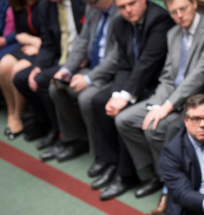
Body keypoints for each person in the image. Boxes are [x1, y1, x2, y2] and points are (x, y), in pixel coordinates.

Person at [115, 0, 204, 205]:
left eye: (183, 9)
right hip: (169, 99)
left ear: (194, 5)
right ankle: (153, 173)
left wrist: (166, 107)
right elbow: (167, 77)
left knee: (155, 127)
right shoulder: (173, 34)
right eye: (174, 12)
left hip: (197, 100)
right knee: (124, 120)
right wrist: (156, 105)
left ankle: (169, 182)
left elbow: (198, 76)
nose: (179, 15)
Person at [89, 0, 175, 200]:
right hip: (134, 82)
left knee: (124, 112)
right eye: (122, 6)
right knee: (99, 101)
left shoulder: (159, 19)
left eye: (132, 3)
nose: (128, 10)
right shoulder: (120, 23)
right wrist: (117, 94)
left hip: (156, 83)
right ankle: (111, 162)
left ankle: (126, 175)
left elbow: (149, 63)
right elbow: (124, 65)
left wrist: (125, 97)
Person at [45, 0, 119, 163]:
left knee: (86, 99)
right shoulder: (92, 8)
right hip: (92, 67)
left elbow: (117, 56)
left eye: (93, 2)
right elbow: (82, 40)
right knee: (56, 87)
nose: (90, 6)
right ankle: (75, 140)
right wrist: (66, 70)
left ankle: (99, 153)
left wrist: (88, 79)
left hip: (111, 74)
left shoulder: (121, 11)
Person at [13, 0, 85, 151]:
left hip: (81, 60)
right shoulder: (46, 5)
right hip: (59, 58)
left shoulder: (81, 3)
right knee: (21, 79)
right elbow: (48, 44)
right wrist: (38, 66)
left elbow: (88, 36)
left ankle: (61, 132)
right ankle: (48, 123)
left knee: (43, 82)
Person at [0, 0, 41, 140]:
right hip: (28, 44)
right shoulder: (18, 3)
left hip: (44, 47)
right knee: (4, 65)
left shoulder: (44, 4)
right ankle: (11, 113)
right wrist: (32, 41)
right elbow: (19, 33)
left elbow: (52, 33)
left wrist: (39, 45)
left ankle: (17, 115)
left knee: (17, 70)